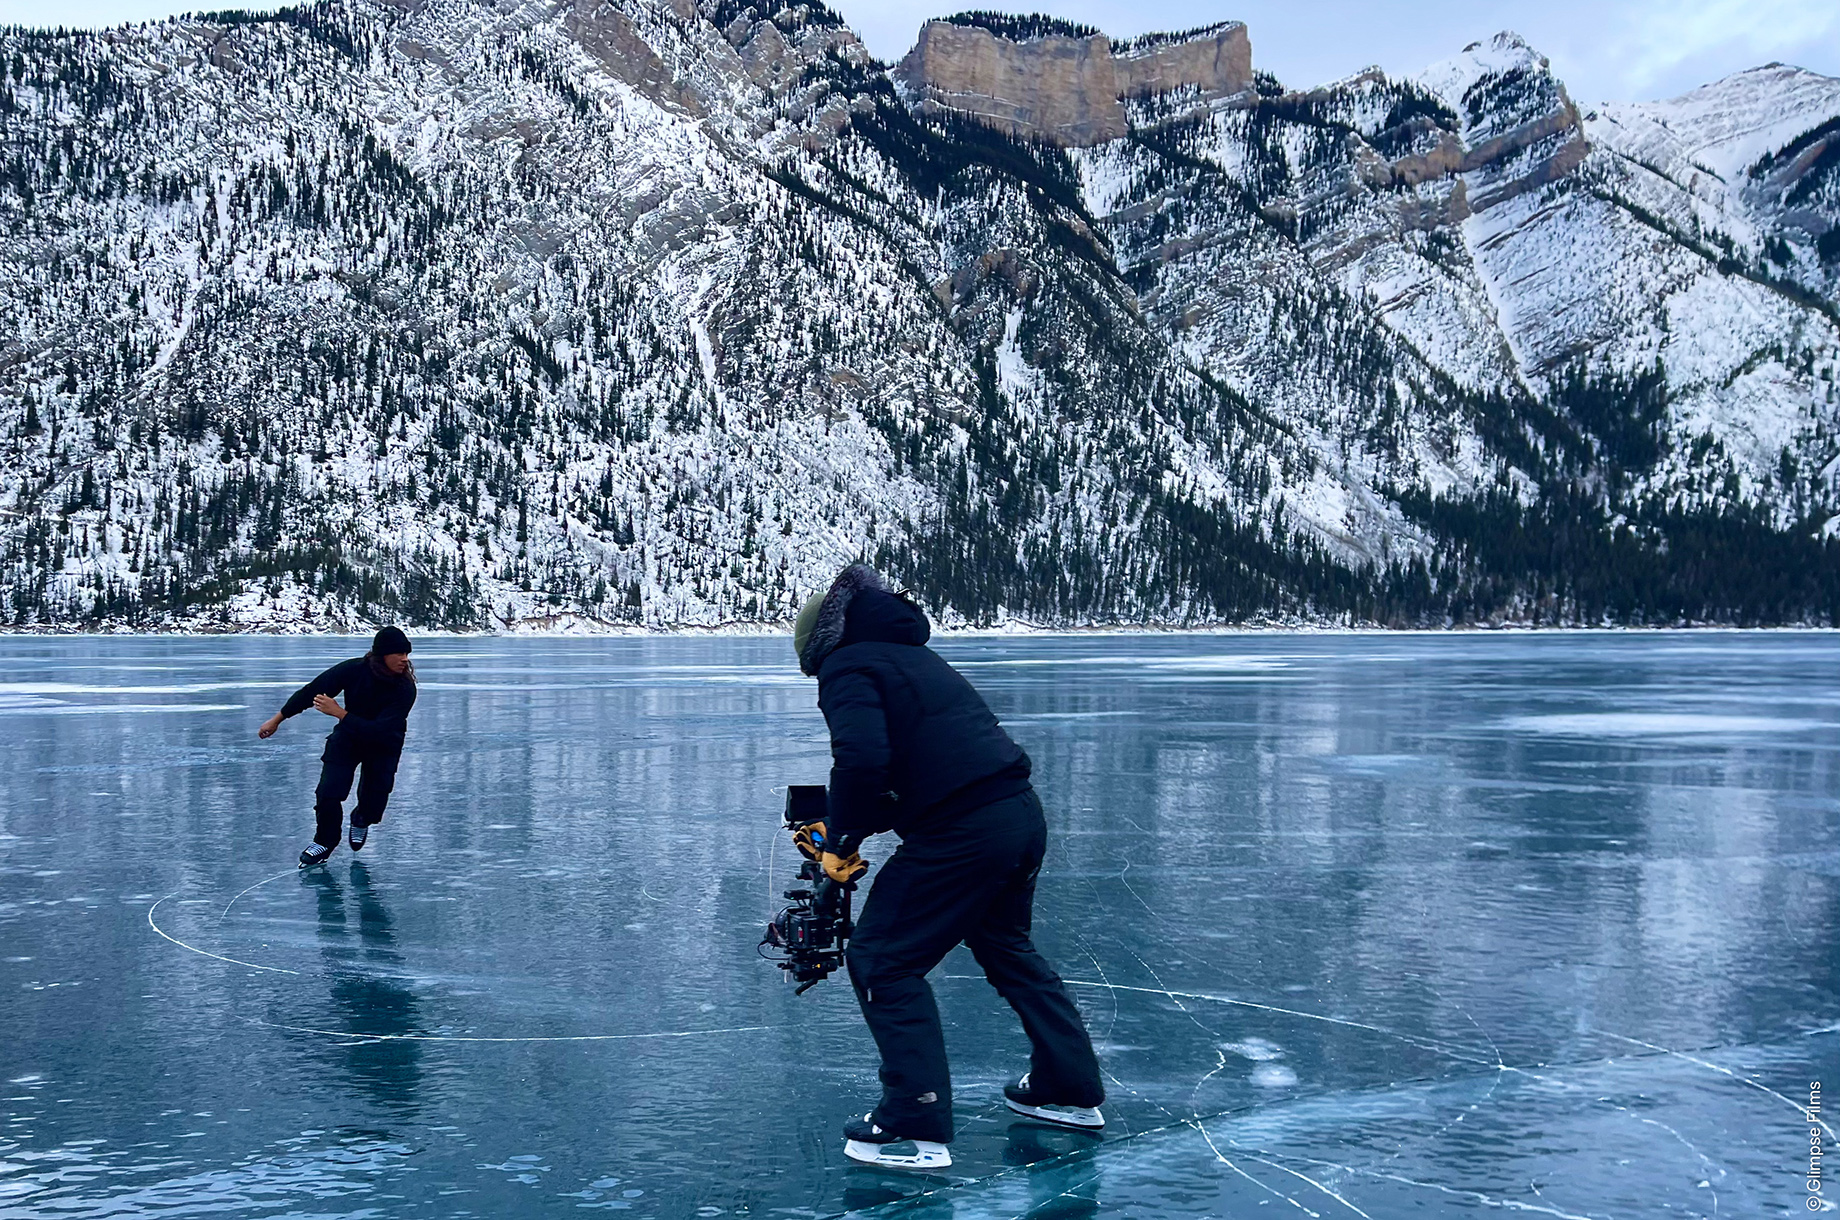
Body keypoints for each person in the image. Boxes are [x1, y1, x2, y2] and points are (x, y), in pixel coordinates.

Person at [792, 563, 1105, 1170]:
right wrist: (847, 825)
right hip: (1015, 814)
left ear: (819, 646)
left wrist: (842, 836)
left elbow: (862, 763)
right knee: (1007, 947)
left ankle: (913, 1119)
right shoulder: (910, 656)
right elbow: (922, 770)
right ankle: (1068, 1090)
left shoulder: (847, 666)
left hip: (965, 831)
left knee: (884, 958)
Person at [258, 627, 418, 868]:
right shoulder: (353, 670)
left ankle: (361, 818)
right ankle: (325, 840)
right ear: (381, 655)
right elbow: (312, 691)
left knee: (375, 799)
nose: (405, 659)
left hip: (384, 743)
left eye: (407, 653)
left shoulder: (405, 688)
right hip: (348, 740)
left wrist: (340, 713)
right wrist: (278, 718)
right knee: (328, 792)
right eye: (398, 653)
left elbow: (379, 731)